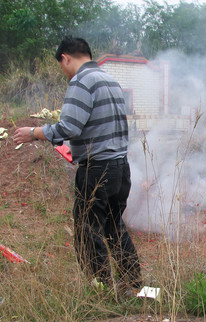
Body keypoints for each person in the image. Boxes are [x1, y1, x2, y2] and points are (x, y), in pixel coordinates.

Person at [13, 36, 142, 293]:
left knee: (87, 230)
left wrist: (35, 132)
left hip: (97, 170)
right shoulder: (110, 80)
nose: (64, 70)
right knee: (113, 225)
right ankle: (133, 282)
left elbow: (69, 127)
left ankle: (100, 289)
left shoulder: (81, 81)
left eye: (61, 64)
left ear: (66, 57)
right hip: (120, 168)